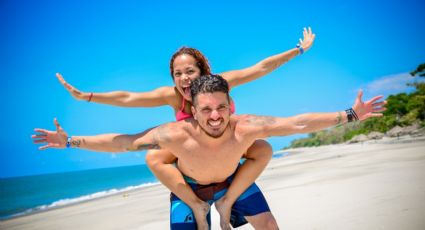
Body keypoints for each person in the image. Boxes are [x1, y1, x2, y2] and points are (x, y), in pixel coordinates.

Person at [33, 74, 386, 229]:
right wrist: (70, 141)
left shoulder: (246, 125)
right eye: (206, 110)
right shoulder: (174, 134)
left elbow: (298, 123)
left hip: (232, 180)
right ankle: (203, 208)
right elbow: (124, 142)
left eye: (221, 107)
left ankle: (226, 203)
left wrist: (352, 114)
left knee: (269, 226)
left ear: (230, 104)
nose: (215, 116)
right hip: (190, 188)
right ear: (194, 110)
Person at [55, 28, 316, 229]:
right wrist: (87, 97)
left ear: (202, 71)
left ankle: (226, 203)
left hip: (229, 171)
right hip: (192, 178)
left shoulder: (221, 84)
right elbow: (128, 100)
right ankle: (195, 205)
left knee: (268, 216)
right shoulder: (172, 96)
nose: (184, 78)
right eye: (177, 74)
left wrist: (298, 50)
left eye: (189, 71)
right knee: (155, 153)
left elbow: (260, 68)